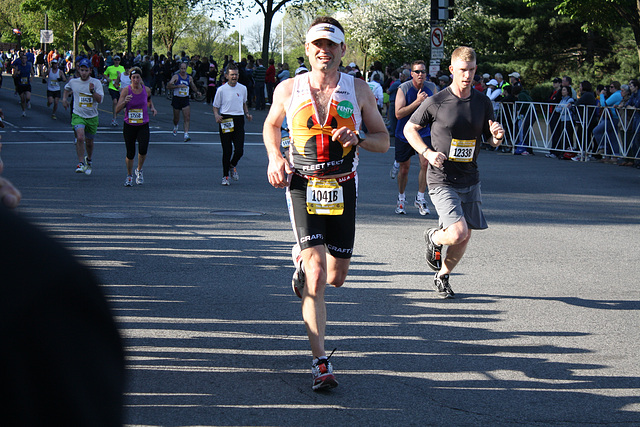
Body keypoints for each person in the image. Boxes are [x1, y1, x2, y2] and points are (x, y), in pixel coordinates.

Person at [262, 16, 389, 391]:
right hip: (303, 184)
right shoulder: (289, 88)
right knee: (317, 273)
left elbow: (383, 140)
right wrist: (274, 157)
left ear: (342, 50)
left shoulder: (360, 90)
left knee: (335, 278)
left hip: (344, 187)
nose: (324, 50)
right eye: (318, 44)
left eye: (331, 45)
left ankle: (302, 259)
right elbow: (271, 125)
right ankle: (320, 363)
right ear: (307, 49)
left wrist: (360, 139)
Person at [403, 46, 504, 299]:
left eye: (471, 70)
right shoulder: (437, 101)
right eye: (462, 70)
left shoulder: (483, 102)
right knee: (459, 231)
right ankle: (434, 237)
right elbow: (409, 129)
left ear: (476, 70)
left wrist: (496, 138)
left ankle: (442, 275)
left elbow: (491, 141)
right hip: (441, 178)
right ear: (452, 70)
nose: (467, 76)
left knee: (464, 237)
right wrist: (427, 153)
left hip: (470, 177)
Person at [393, 60, 434, 216]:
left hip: (423, 133)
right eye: (417, 72)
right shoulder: (404, 88)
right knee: (404, 169)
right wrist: (418, 102)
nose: (420, 74)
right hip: (404, 133)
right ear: (412, 74)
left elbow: (437, 109)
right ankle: (401, 198)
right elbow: (398, 113)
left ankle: (421, 197)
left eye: (423, 71)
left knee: (425, 163)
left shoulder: (431, 88)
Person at [115, 67, 157, 187]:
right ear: (130, 79)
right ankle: (129, 175)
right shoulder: (125, 91)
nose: (136, 80)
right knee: (130, 152)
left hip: (143, 124)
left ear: (140, 78)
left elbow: (148, 100)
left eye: (138, 77)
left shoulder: (146, 90)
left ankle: (139, 170)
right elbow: (117, 110)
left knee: (143, 149)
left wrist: (152, 108)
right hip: (129, 125)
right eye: (133, 77)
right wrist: (124, 102)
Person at [212, 63, 252, 186]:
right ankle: (225, 176)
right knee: (227, 150)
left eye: (236, 74)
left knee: (239, 150)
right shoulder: (221, 90)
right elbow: (215, 106)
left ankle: (232, 165)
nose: (234, 77)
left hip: (239, 119)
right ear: (227, 76)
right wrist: (217, 116)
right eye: (232, 75)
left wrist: (247, 113)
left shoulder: (243, 88)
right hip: (226, 119)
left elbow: (244, 103)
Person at [62, 58, 104, 175]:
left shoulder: (96, 83)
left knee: (89, 142)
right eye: (82, 70)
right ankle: (80, 163)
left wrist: (92, 92)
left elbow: (100, 100)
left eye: (86, 70)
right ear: (79, 70)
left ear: (90, 70)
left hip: (92, 116)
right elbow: (66, 89)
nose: (84, 73)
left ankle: (89, 159)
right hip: (78, 114)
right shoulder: (73, 82)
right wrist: (64, 99)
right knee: (80, 137)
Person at [167, 62, 199, 142]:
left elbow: (193, 86)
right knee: (176, 118)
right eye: (182, 68)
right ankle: (175, 125)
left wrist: (197, 92)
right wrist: (177, 86)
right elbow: (168, 86)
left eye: (184, 69)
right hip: (177, 99)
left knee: (187, 117)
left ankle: (186, 134)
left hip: (185, 99)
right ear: (179, 69)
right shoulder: (176, 76)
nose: (183, 70)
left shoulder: (189, 78)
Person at [104, 55, 125, 126]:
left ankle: (126, 119)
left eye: (118, 60)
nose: (117, 61)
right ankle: (114, 118)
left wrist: (120, 75)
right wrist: (107, 79)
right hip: (112, 86)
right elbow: (105, 74)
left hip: (120, 87)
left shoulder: (122, 68)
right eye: (115, 60)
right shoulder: (110, 68)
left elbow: (125, 76)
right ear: (113, 61)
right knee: (115, 101)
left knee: (122, 103)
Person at [13, 52, 33, 117]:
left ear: (27, 60)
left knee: (28, 97)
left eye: (25, 59)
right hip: (20, 84)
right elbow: (13, 76)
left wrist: (31, 78)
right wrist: (17, 73)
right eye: (23, 59)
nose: (24, 60)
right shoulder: (18, 67)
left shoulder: (29, 66)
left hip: (27, 84)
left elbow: (32, 73)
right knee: (22, 99)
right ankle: (24, 111)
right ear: (21, 59)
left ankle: (28, 101)